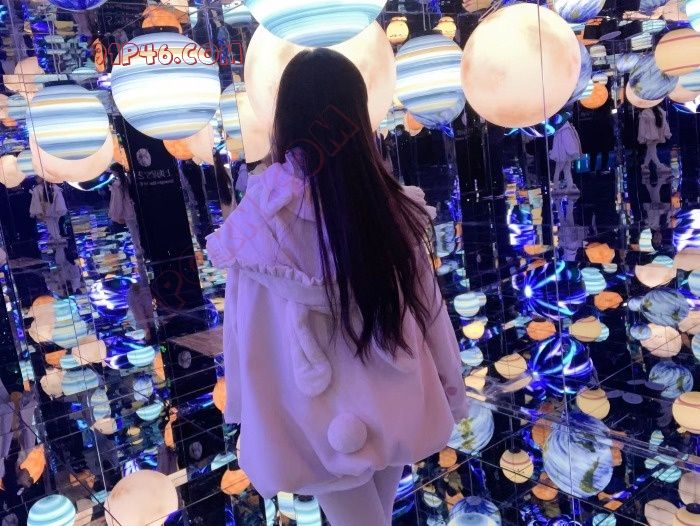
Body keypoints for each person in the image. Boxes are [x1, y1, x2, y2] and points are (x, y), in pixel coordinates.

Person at [207, 49, 467, 526]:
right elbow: (429, 310)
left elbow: (246, 332)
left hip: (309, 419)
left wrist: (249, 415)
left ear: (285, 118)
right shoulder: (386, 207)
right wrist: (451, 388)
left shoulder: (258, 222)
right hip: (394, 396)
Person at [638, 104, 672, 172]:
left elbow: (664, 122)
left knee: (650, 151)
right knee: (652, 151)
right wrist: (642, 136)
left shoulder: (659, 110)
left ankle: (645, 165)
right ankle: (659, 166)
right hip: (649, 135)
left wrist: (667, 132)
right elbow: (642, 126)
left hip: (657, 134)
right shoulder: (645, 112)